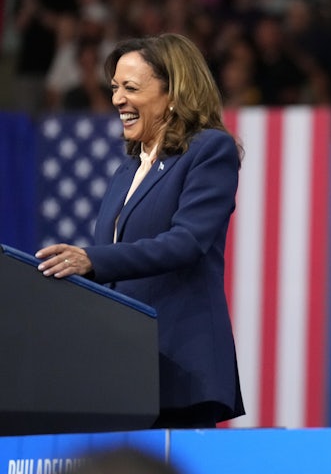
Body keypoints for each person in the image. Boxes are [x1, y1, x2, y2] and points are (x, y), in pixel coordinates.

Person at [34, 32, 245, 428]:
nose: (117, 99)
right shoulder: (129, 167)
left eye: (130, 88)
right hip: (125, 368)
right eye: (114, 87)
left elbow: (186, 242)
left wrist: (91, 260)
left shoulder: (209, 150)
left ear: (173, 93)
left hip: (180, 363)